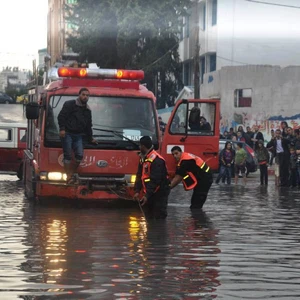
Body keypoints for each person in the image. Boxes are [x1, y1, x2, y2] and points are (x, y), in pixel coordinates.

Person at [58, 88, 98, 184]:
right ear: (79, 95)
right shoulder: (70, 104)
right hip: (67, 133)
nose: (85, 97)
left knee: (79, 156)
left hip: (78, 135)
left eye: (87, 95)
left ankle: (70, 173)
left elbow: (89, 125)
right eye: (83, 94)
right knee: (67, 156)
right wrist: (62, 129)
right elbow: (61, 116)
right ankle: (68, 177)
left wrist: (90, 138)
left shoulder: (88, 110)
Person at [133, 136, 170, 219]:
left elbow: (155, 180)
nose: (139, 147)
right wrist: (137, 191)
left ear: (143, 146)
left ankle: (159, 231)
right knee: (148, 216)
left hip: (160, 192)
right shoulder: (143, 158)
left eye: (140, 146)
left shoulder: (157, 160)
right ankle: (151, 231)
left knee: (158, 216)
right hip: (150, 193)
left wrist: (147, 195)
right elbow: (139, 175)